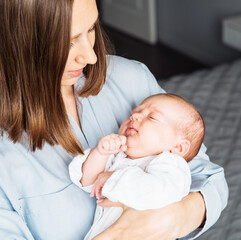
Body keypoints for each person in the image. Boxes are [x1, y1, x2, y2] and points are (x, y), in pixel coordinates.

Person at [0, 0, 228, 239]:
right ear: (17, 41)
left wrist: (170, 219)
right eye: (68, 42)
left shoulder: (131, 80)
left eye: (91, 29)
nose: (90, 57)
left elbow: (209, 179)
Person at [69, 93, 205, 240]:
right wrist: (100, 154)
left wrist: (115, 178)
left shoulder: (170, 165)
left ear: (178, 147)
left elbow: (158, 192)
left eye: (152, 117)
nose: (135, 117)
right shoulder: (119, 156)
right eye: (134, 113)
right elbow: (89, 182)